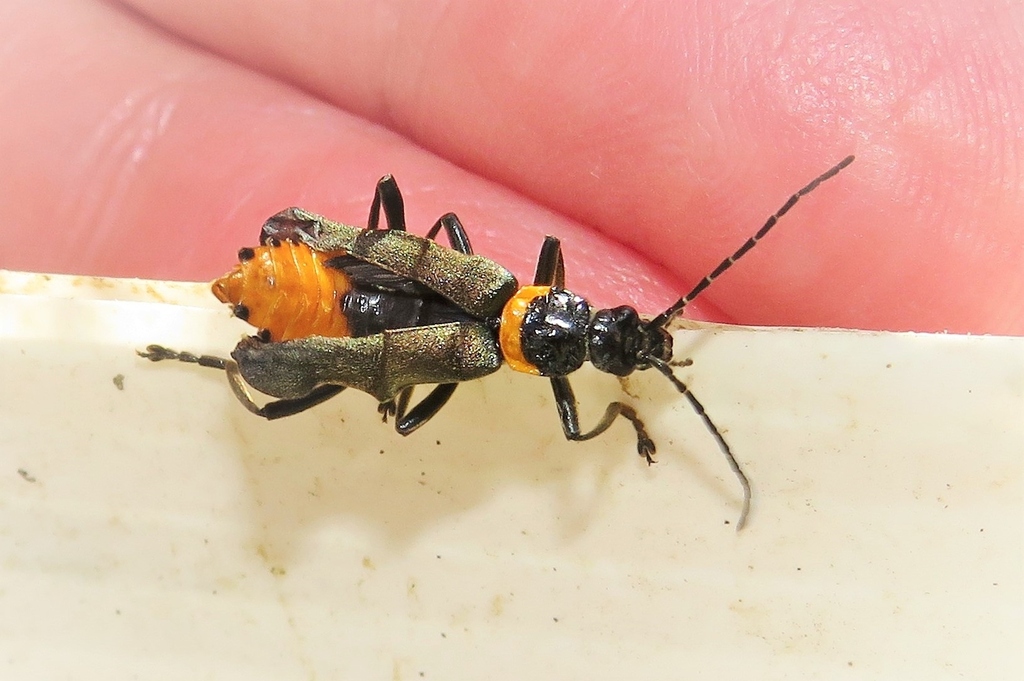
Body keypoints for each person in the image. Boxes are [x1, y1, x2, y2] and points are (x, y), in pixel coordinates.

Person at [1, 0, 1020, 334]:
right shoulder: (509, 312)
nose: (613, 309)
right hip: (354, 291)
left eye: (609, 318)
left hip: (362, 293)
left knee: (411, 263)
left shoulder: (515, 289)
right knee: (406, 267)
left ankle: (317, 262)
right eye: (613, 315)